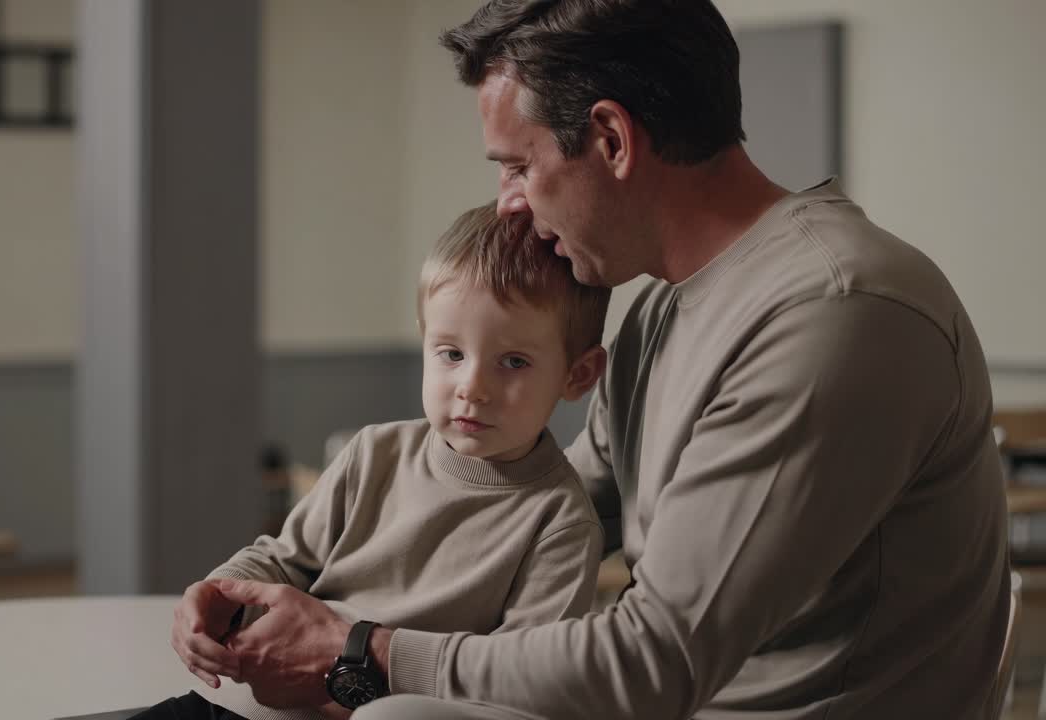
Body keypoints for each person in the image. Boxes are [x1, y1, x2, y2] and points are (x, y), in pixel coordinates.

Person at [172, 1, 1011, 718]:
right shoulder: (660, 311)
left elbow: (656, 660)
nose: (508, 206)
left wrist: (359, 650)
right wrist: (267, 591)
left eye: (517, 166)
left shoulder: (833, 312)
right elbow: (538, 504)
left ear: (610, 138)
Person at [161, 202, 612, 720]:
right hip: (240, 707)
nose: (472, 389)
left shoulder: (560, 525)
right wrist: (219, 592)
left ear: (577, 375)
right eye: (450, 353)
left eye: (513, 362)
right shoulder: (373, 454)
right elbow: (285, 559)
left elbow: (518, 689)